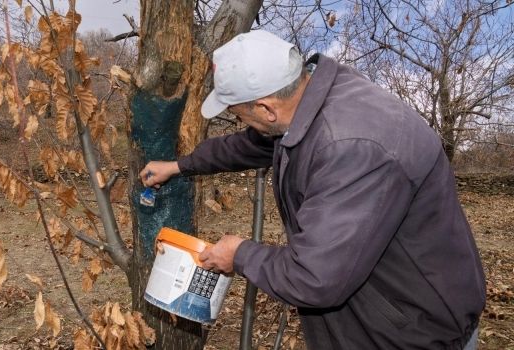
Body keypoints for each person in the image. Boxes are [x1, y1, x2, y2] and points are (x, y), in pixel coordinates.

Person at [140, 30, 485, 349]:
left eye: (239, 114)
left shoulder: (350, 147)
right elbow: (252, 145)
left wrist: (240, 254)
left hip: (410, 330)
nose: (241, 122)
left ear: (265, 108)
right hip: (383, 308)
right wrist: (180, 166)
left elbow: (314, 277)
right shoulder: (314, 100)